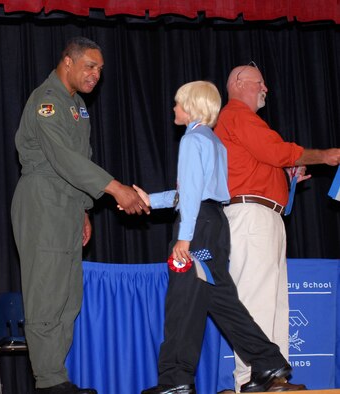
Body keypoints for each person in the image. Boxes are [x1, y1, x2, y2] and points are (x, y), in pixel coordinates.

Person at [135, 81, 305, 394]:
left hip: (196, 228)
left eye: (177, 103)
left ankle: (176, 381)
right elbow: (194, 191)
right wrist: (150, 200)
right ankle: (268, 360)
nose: (173, 108)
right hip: (215, 225)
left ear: (191, 106)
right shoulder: (213, 141)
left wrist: (184, 239)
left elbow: (191, 198)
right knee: (221, 300)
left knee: (182, 302)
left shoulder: (190, 141)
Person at [11, 37, 149, 394]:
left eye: (100, 69)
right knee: (46, 294)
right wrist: (116, 188)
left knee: (68, 297)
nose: (96, 75)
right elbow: (64, 159)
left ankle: (56, 378)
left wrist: (84, 209)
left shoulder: (77, 106)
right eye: (90, 66)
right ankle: (47, 381)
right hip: (42, 200)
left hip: (66, 204)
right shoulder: (47, 101)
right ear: (67, 62)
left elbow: (79, 162)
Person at [215, 63, 340, 392]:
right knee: (255, 296)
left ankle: (272, 375)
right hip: (250, 215)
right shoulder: (237, 114)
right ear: (240, 83)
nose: (265, 90)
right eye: (260, 84)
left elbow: (262, 161)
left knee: (272, 300)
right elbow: (274, 150)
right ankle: (251, 376)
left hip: (263, 214)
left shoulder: (239, 121)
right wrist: (322, 156)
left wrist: (286, 176)